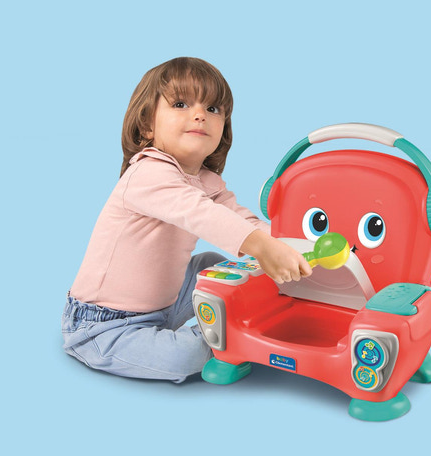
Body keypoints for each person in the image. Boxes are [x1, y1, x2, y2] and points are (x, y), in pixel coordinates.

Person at [62, 57, 312, 383]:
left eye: (213, 109)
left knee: (211, 265)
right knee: (188, 357)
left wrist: (293, 246)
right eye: (180, 104)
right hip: (105, 323)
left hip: (165, 305)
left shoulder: (206, 180)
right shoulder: (147, 172)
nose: (199, 115)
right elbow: (201, 214)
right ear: (147, 125)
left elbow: (241, 219)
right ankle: (231, 337)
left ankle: (230, 324)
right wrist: (264, 248)